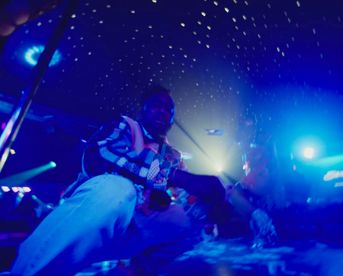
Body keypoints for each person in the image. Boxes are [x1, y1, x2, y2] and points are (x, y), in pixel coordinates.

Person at [10, 86, 225, 275]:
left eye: (169, 109)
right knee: (118, 189)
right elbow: (100, 155)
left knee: (191, 219)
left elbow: (168, 187)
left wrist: (207, 202)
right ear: (143, 109)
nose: (164, 111)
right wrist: (178, 177)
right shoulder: (126, 125)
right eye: (157, 105)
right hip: (93, 219)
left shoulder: (170, 154)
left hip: (134, 229)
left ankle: (130, 271)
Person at [227, 143, 283, 248]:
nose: (256, 165)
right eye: (253, 162)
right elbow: (234, 198)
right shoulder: (244, 184)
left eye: (258, 161)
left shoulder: (272, 180)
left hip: (268, 224)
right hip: (253, 230)